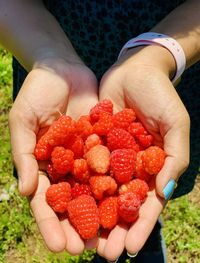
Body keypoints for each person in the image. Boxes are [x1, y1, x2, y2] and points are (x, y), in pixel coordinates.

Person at [0, 0, 199, 262]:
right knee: (145, 188)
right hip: (46, 45)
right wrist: (48, 54)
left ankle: (146, 232)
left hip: (161, 76)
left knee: (155, 184)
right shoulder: (86, 151)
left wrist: (160, 55)